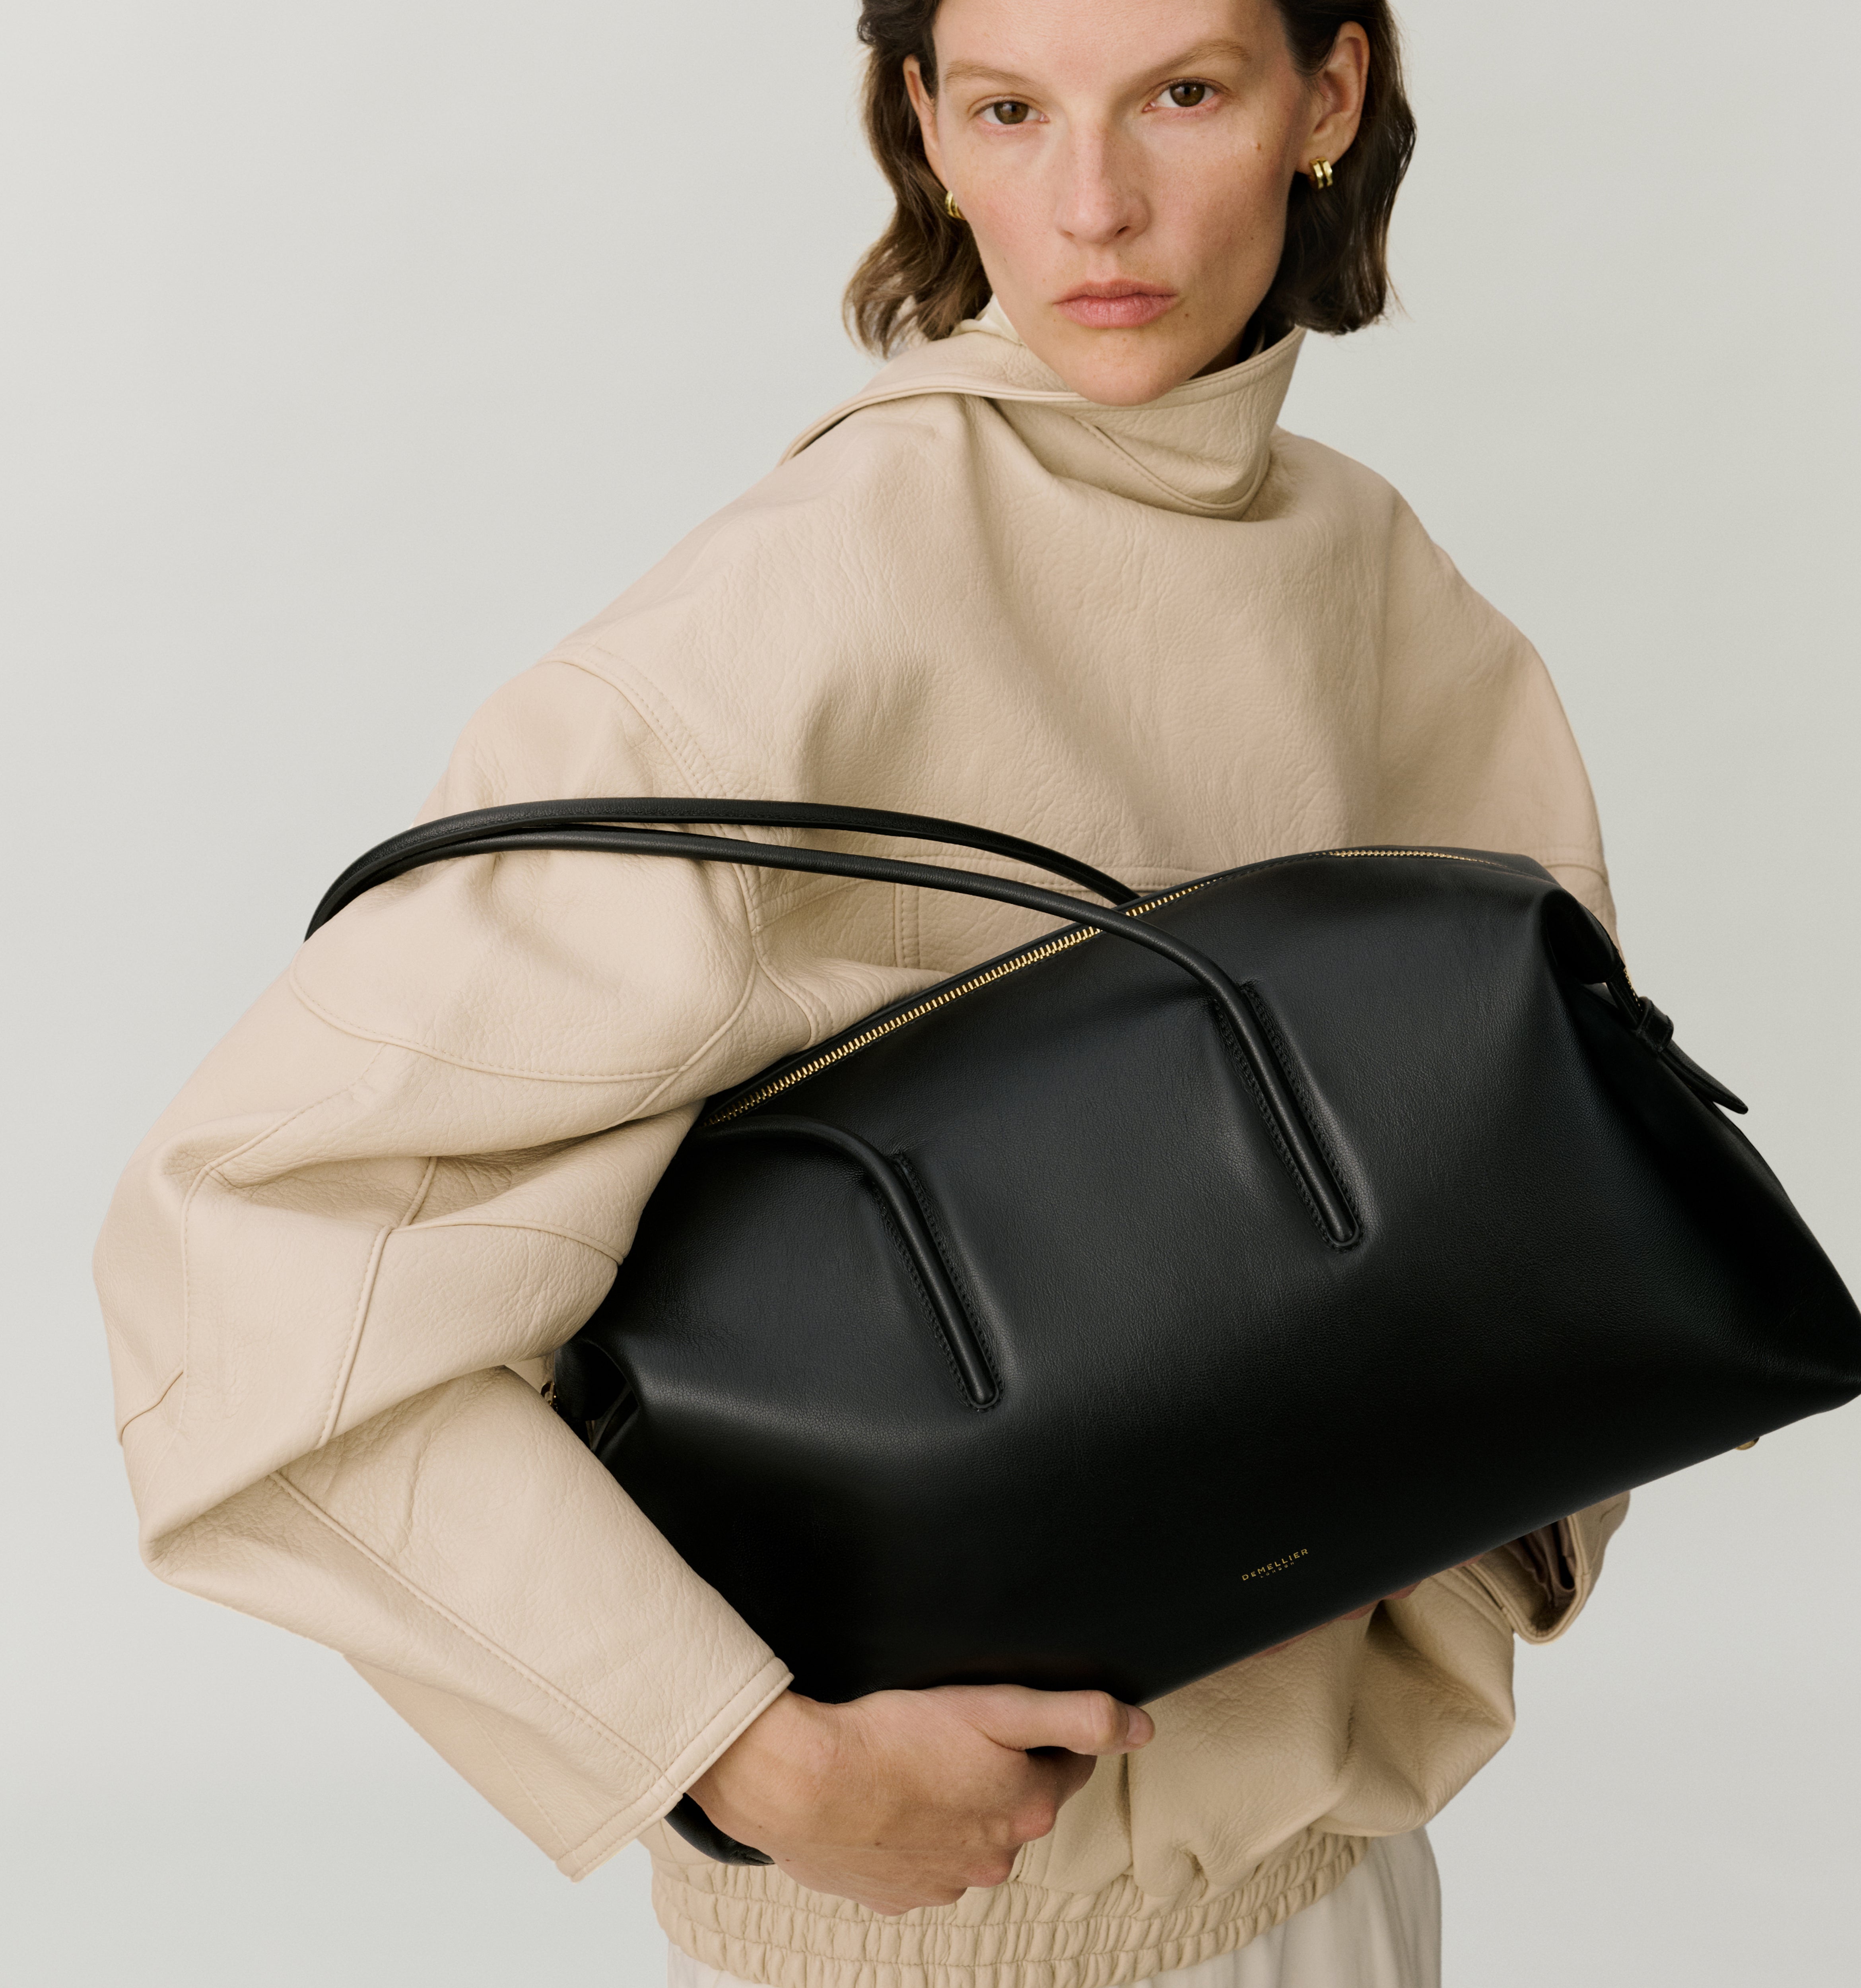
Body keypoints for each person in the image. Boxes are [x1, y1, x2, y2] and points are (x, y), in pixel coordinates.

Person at [95, 2, 1630, 1984]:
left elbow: (1557, 1196)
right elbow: (243, 1244)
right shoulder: (802, 611)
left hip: (1329, 1892)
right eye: (1009, 109)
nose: (1093, 204)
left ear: (1324, 95)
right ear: (925, 126)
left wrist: (1416, 1550)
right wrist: (732, 1752)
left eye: (1180, 92)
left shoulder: (1380, 579)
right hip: (917, 1935)